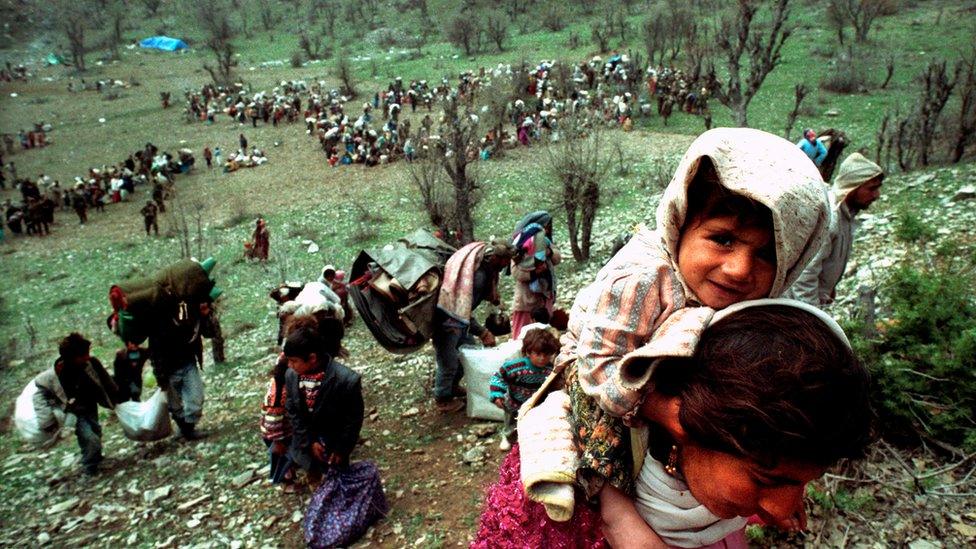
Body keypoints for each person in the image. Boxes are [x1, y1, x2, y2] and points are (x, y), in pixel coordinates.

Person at [471, 127, 831, 545]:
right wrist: (665, 411)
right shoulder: (643, 281)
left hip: (665, 434)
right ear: (680, 222)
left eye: (767, 253)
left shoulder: (755, 307)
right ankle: (610, 508)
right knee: (594, 449)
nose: (739, 268)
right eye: (722, 239)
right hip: (599, 380)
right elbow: (599, 365)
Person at [475, 300, 872, 547]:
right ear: (688, 421)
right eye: (768, 480)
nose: (785, 508)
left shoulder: (716, 493)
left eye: (803, 482)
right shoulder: (556, 497)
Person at [789, 152, 884, 307]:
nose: (876, 195)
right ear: (853, 187)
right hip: (798, 306)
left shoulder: (847, 214)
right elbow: (805, 276)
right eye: (871, 189)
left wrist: (828, 289)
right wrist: (813, 319)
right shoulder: (831, 218)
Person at [432, 239, 516, 413]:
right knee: (448, 361)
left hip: (460, 320)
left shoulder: (486, 267)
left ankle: (452, 387)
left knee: (467, 353)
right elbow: (462, 307)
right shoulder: (478, 276)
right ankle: (442, 399)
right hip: (448, 319)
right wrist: (483, 332)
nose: (507, 265)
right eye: (507, 261)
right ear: (498, 259)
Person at [283, 315, 363, 485]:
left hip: (334, 447)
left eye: (293, 361)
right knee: (316, 481)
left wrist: (342, 449)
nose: (289, 365)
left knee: (339, 483)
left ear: (312, 358)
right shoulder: (291, 376)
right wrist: (310, 441)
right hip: (306, 445)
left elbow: (353, 420)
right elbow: (293, 410)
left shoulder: (346, 380)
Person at [33, 333, 119, 475]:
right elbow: (40, 397)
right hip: (74, 411)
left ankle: (96, 458)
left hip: (90, 404)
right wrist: (46, 421)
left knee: (96, 431)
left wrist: (116, 395)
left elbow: (105, 379)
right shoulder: (53, 376)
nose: (87, 357)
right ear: (72, 357)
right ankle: (90, 467)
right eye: (83, 355)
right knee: (90, 438)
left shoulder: (90, 363)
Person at [149, 299, 216, 440]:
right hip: (168, 370)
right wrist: (160, 377)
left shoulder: (191, 316)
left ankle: (188, 429)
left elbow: (210, 333)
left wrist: (205, 314)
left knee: (196, 399)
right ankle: (186, 430)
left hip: (188, 363)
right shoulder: (157, 322)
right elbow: (154, 352)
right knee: (174, 406)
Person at [489, 328, 560, 452]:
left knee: (532, 424)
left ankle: (528, 439)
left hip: (534, 404)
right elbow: (499, 377)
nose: (542, 358)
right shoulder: (515, 367)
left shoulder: (550, 370)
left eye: (547, 354)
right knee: (511, 422)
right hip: (514, 402)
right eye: (538, 354)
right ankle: (507, 437)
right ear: (528, 352)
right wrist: (497, 394)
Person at [510, 211, 561, 338]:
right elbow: (516, 272)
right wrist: (534, 273)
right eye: (545, 225)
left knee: (542, 336)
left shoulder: (545, 242)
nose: (547, 228)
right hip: (527, 300)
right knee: (523, 335)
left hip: (544, 297)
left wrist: (548, 252)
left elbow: (557, 258)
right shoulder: (520, 246)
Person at [261, 354, 295, 490]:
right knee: (283, 458)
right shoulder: (279, 396)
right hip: (277, 434)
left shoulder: (281, 385)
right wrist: (278, 441)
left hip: (285, 427)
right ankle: (287, 483)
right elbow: (272, 424)